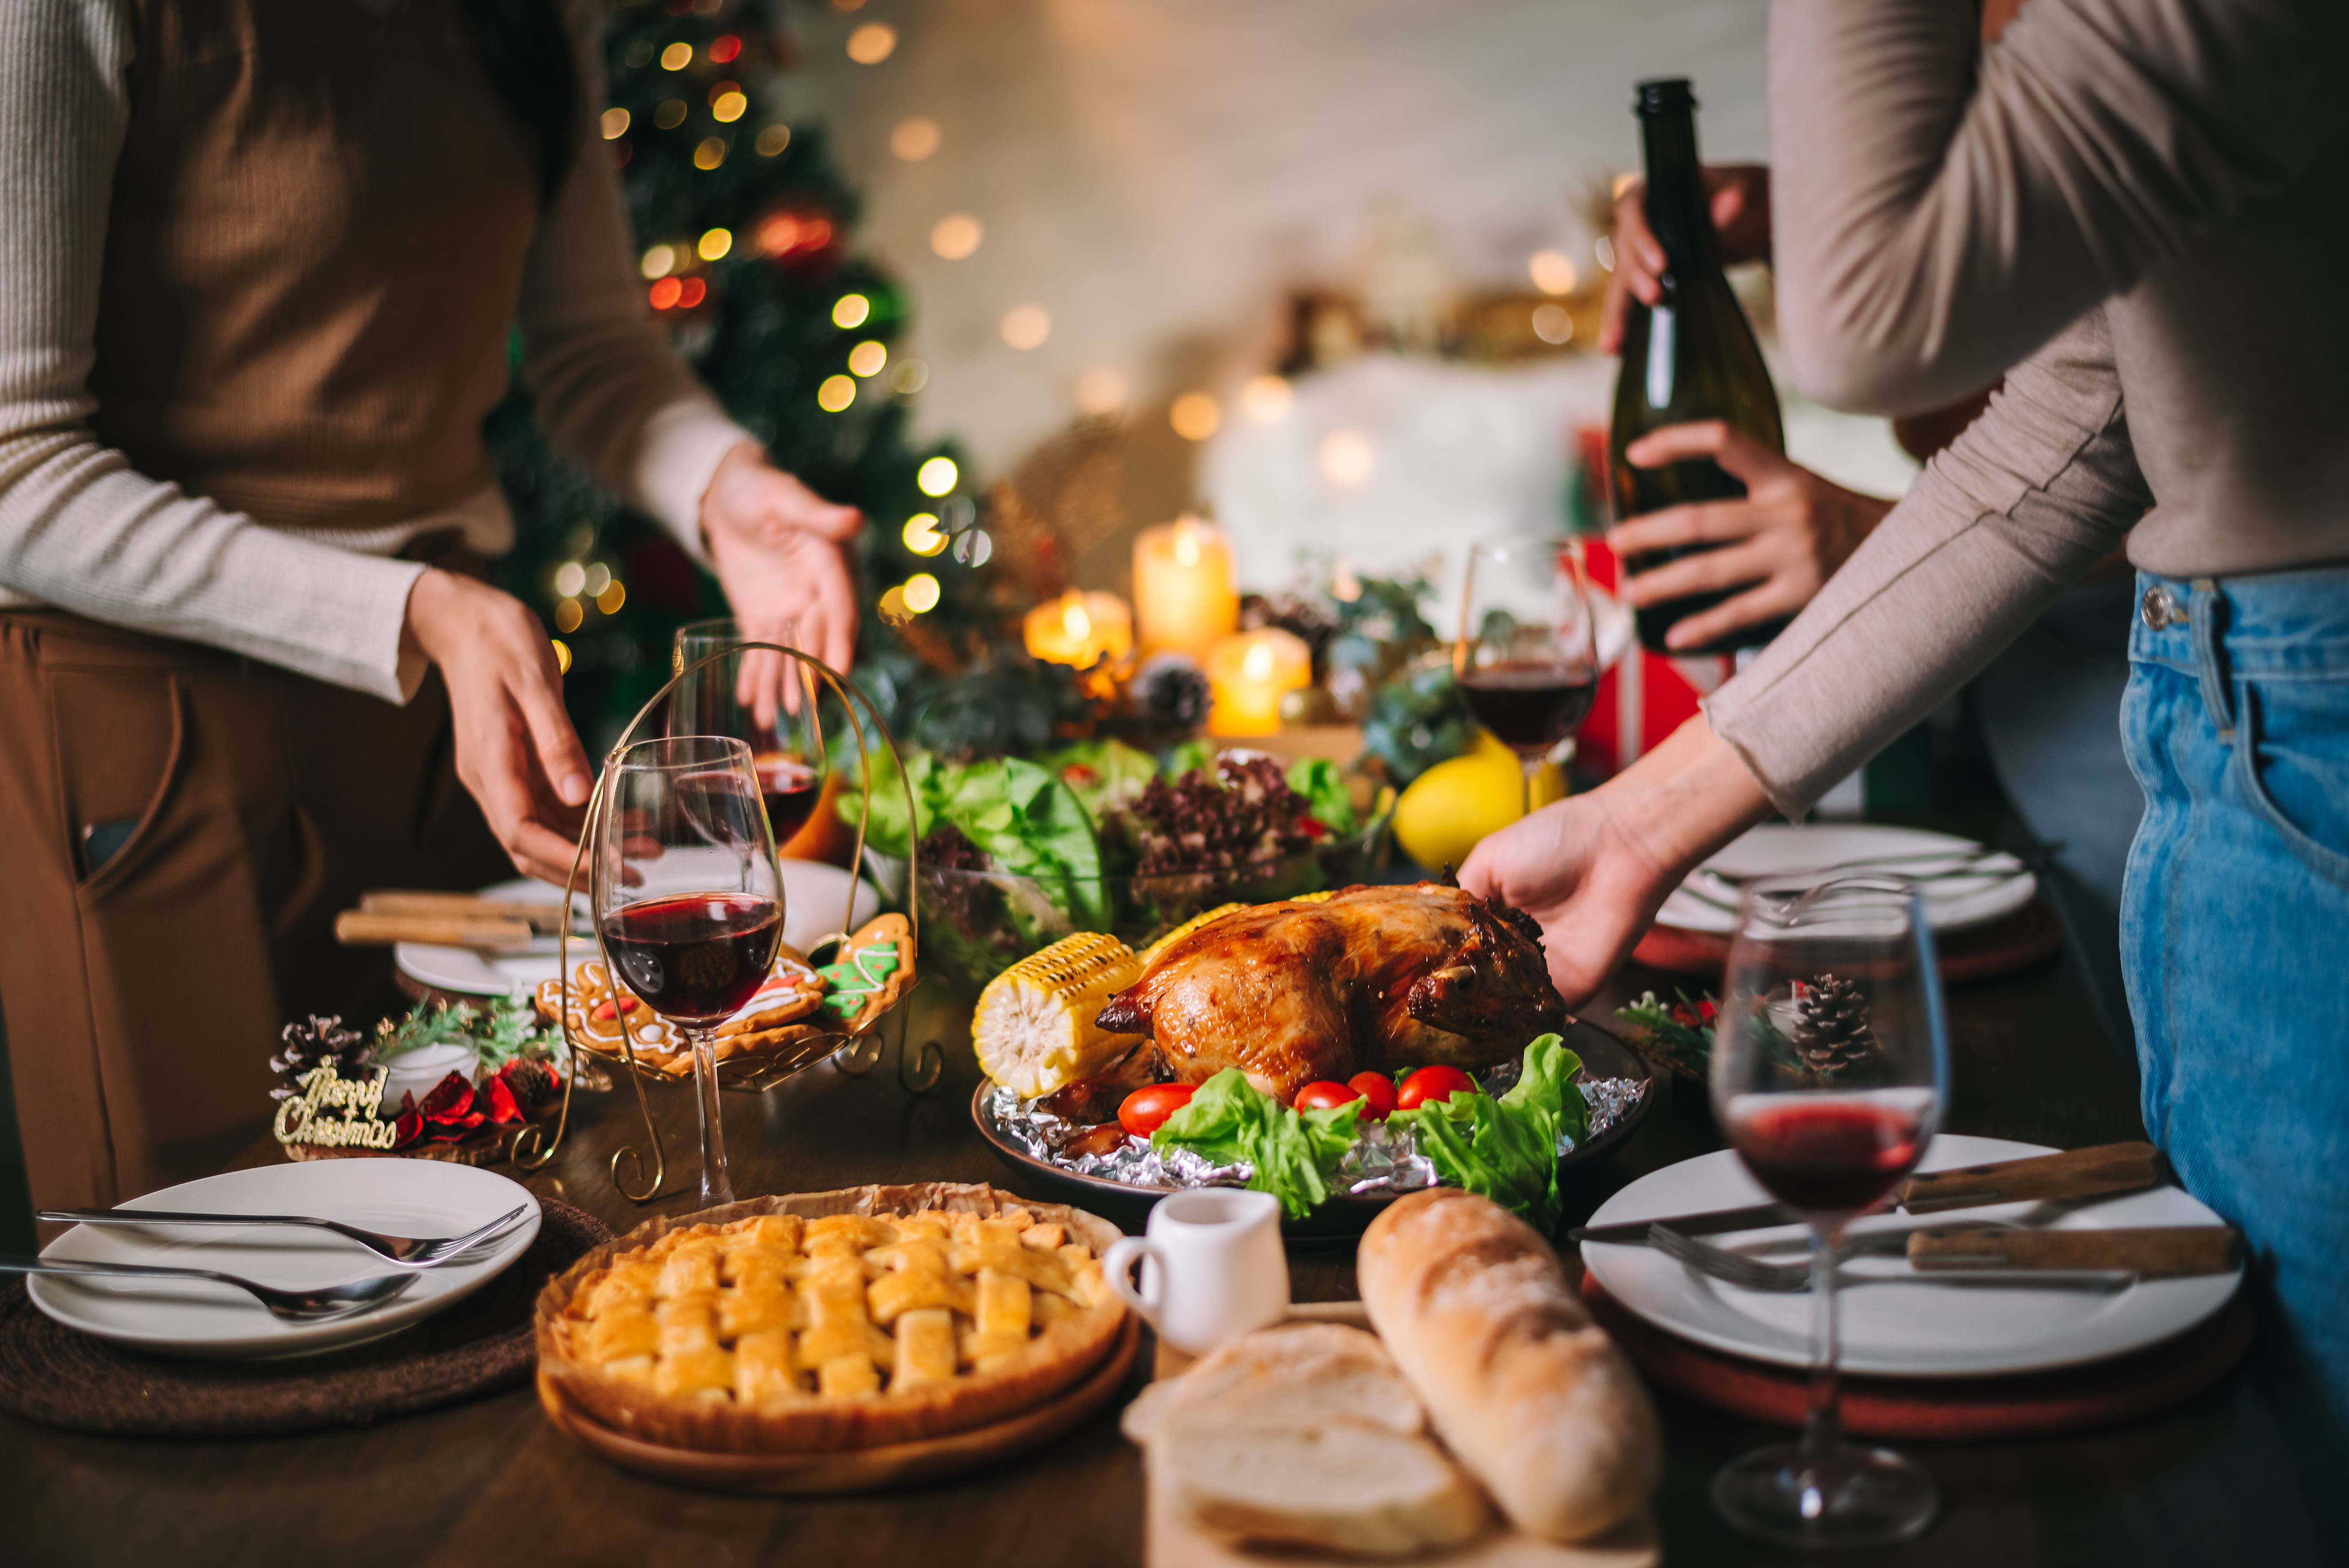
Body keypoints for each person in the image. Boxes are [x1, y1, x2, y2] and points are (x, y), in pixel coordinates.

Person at [1467, 0, 2349, 1505]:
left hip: (2305, 724)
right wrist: (1634, 827)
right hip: (2237, 723)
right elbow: (2083, 419)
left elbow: (1871, 322)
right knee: (2240, 1435)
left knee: (2287, 1459)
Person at [0, 0, 862, 1212]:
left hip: (436, 724)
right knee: (238, 1297)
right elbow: (13, 464)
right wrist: (408, 610)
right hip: (148, 746)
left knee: (498, 1232)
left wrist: (725, 490)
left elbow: (596, 347)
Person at [1597, 159, 2144, 1055]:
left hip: (2149, 657)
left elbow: (2135, 440)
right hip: (2009, 659)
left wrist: (1872, 532)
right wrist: (1815, 214)